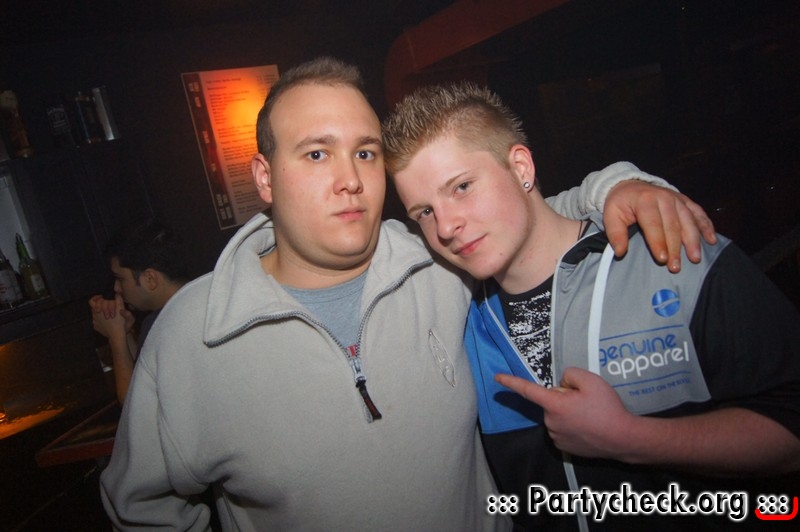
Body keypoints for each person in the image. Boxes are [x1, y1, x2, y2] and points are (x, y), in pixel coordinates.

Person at [100, 57, 713, 530]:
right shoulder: (193, 335)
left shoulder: (437, 260)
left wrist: (619, 186)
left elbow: (523, 217)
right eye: (317, 153)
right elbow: (141, 510)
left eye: (365, 153)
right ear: (265, 177)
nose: (349, 179)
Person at [383, 81, 800, 530]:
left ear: (520, 167)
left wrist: (632, 439)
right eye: (424, 212)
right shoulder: (461, 321)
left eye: (462, 187)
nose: (446, 226)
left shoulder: (672, 257)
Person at [89, 219, 190, 405]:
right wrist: (125, 332)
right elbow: (146, 377)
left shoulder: (163, 324)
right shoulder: (193, 302)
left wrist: (115, 338)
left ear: (150, 279)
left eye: (120, 279)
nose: (116, 288)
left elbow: (135, 407)